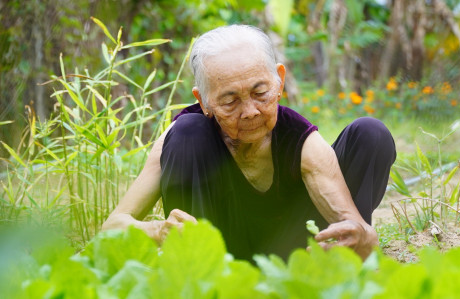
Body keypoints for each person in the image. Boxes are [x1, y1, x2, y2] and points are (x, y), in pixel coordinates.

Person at [102, 24, 396, 261]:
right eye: (230, 100)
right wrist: (156, 230)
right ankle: (197, 276)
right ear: (203, 101)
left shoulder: (304, 142)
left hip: (298, 257)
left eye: (260, 92)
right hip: (217, 257)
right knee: (186, 131)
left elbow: (352, 224)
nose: (250, 111)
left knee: (371, 133)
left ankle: (337, 268)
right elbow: (111, 229)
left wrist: (363, 237)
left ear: (279, 81)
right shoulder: (183, 135)